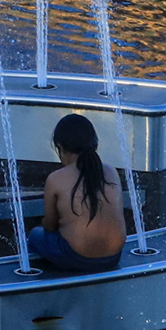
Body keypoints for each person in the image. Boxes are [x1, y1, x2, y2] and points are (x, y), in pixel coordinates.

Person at [27, 113, 125, 273]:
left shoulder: (56, 179)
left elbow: (50, 226)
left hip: (78, 258)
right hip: (113, 257)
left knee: (34, 236)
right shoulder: (110, 171)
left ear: (61, 147)